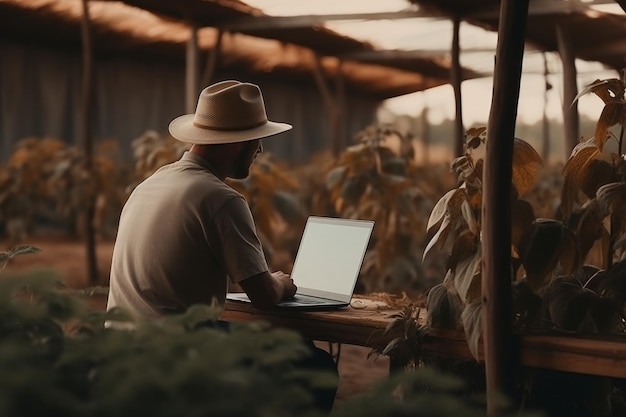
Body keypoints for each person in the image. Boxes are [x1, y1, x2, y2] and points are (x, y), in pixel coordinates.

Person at [107, 80, 338, 411]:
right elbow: (264, 294)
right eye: (257, 139)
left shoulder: (151, 183)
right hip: (176, 353)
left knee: (285, 346)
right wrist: (283, 283)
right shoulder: (221, 198)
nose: (260, 149)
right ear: (236, 142)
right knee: (316, 368)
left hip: (119, 346)